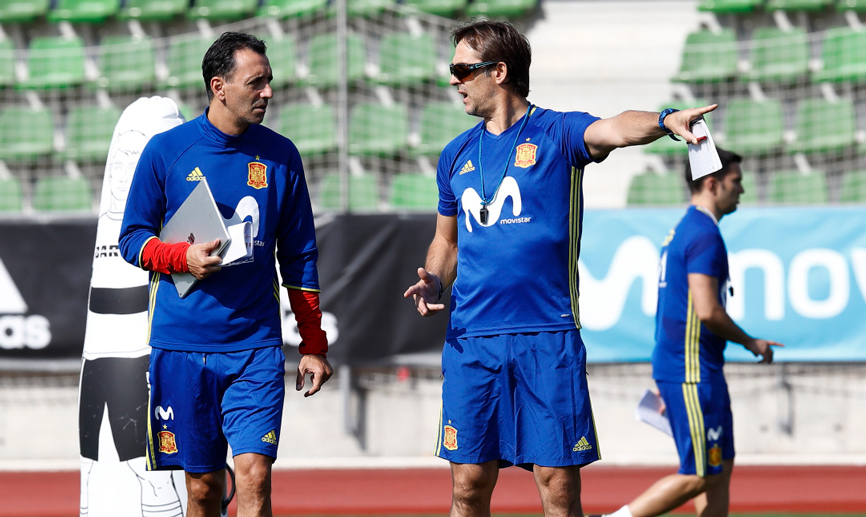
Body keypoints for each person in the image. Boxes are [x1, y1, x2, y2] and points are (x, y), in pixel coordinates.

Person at [403, 19, 717, 517]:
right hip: (472, 339)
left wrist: (665, 119)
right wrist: (434, 277)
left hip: (547, 337)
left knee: (558, 489)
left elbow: (614, 127)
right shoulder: (454, 154)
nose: (453, 80)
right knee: (468, 485)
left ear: (499, 72)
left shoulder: (557, 132)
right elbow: (447, 240)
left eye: (463, 69)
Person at [119, 32, 332, 517]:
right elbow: (131, 239)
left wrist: (313, 344)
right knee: (203, 488)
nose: (268, 93)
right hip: (181, 345)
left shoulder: (282, 155)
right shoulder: (166, 151)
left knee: (254, 476)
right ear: (219, 86)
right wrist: (183, 259)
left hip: (254, 347)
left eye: (270, 82)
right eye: (256, 83)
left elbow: (299, 257)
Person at [597, 148, 783, 517]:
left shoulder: (684, 229)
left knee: (720, 468)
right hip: (693, 372)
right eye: (736, 182)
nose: (741, 190)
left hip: (690, 369)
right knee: (701, 472)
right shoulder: (702, 235)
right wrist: (750, 341)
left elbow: (672, 309)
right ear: (712, 183)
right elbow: (707, 310)